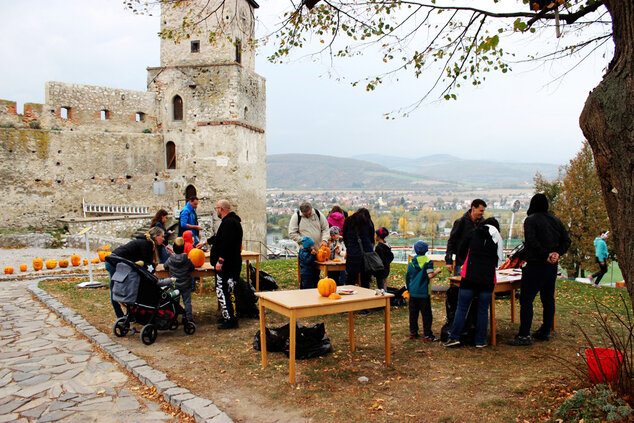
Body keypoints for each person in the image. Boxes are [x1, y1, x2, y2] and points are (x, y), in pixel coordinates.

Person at [509, 193, 570, 346]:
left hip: (536, 264)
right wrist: (557, 253)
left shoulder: (531, 220)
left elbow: (531, 242)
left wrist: (546, 254)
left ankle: (524, 335)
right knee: (548, 298)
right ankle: (546, 330)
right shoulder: (555, 220)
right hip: (551, 266)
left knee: (527, 299)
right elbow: (566, 240)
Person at [443, 218, 504, 349]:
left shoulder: (473, 233)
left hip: (469, 275)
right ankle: (480, 340)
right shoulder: (497, 238)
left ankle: (454, 337)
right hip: (487, 278)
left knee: (462, 307)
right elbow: (499, 260)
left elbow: (462, 250)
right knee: (482, 310)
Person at [107, 227, 164, 318]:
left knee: (120, 289)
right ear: (155, 236)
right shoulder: (147, 244)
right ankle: (121, 316)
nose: (163, 239)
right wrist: (152, 266)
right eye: (162, 236)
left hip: (113, 260)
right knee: (118, 290)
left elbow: (144, 262)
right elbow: (146, 262)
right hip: (115, 262)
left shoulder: (145, 242)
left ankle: (128, 314)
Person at [207, 199, 243, 330]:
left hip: (227, 264)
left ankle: (230, 319)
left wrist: (220, 260)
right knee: (229, 290)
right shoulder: (231, 222)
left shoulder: (229, 223)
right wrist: (207, 242)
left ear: (221, 209)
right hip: (232, 262)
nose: (216, 210)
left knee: (224, 290)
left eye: (216, 208)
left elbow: (227, 243)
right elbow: (220, 238)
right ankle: (230, 315)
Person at [406, 241, 442, 341]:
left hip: (413, 292)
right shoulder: (428, 261)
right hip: (423, 293)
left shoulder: (411, 262)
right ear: (426, 250)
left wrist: (409, 289)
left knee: (413, 313)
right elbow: (430, 275)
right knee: (426, 314)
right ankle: (427, 334)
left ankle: (413, 332)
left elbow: (407, 277)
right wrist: (437, 272)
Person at [445, 199, 487, 275]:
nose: (482, 213)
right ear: (474, 208)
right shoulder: (461, 222)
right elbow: (451, 241)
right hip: (461, 262)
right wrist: (449, 261)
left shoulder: (483, 223)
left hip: (477, 263)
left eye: (483, 211)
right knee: (460, 285)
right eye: (481, 211)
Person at [163, 237, 195, 323]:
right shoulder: (187, 259)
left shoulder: (170, 259)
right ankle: (189, 317)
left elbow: (165, 266)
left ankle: (174, 317)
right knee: (187, 302)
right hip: (186, 284)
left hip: (174, 284)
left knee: (174, 302)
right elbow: (192, 267)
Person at [342, 208, 375, 289]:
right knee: (365, 281)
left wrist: (349, 247)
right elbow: (371, 238)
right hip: (366, 254)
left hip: (352, 253)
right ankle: (365, 299)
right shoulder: (368, 222)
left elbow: (345, 237)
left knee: (351, 279)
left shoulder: (348, 221)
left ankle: (350, 298)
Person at [374, 227, 394, 291]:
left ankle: (384, 298)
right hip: (386, 269)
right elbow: (391, 257)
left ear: (379, 236)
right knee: (383, 284)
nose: (375, 237)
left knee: (381, 287)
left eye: (375, 235)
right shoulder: (387, 246)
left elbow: (378, 260)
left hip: (380, 270)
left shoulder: (379, 247)